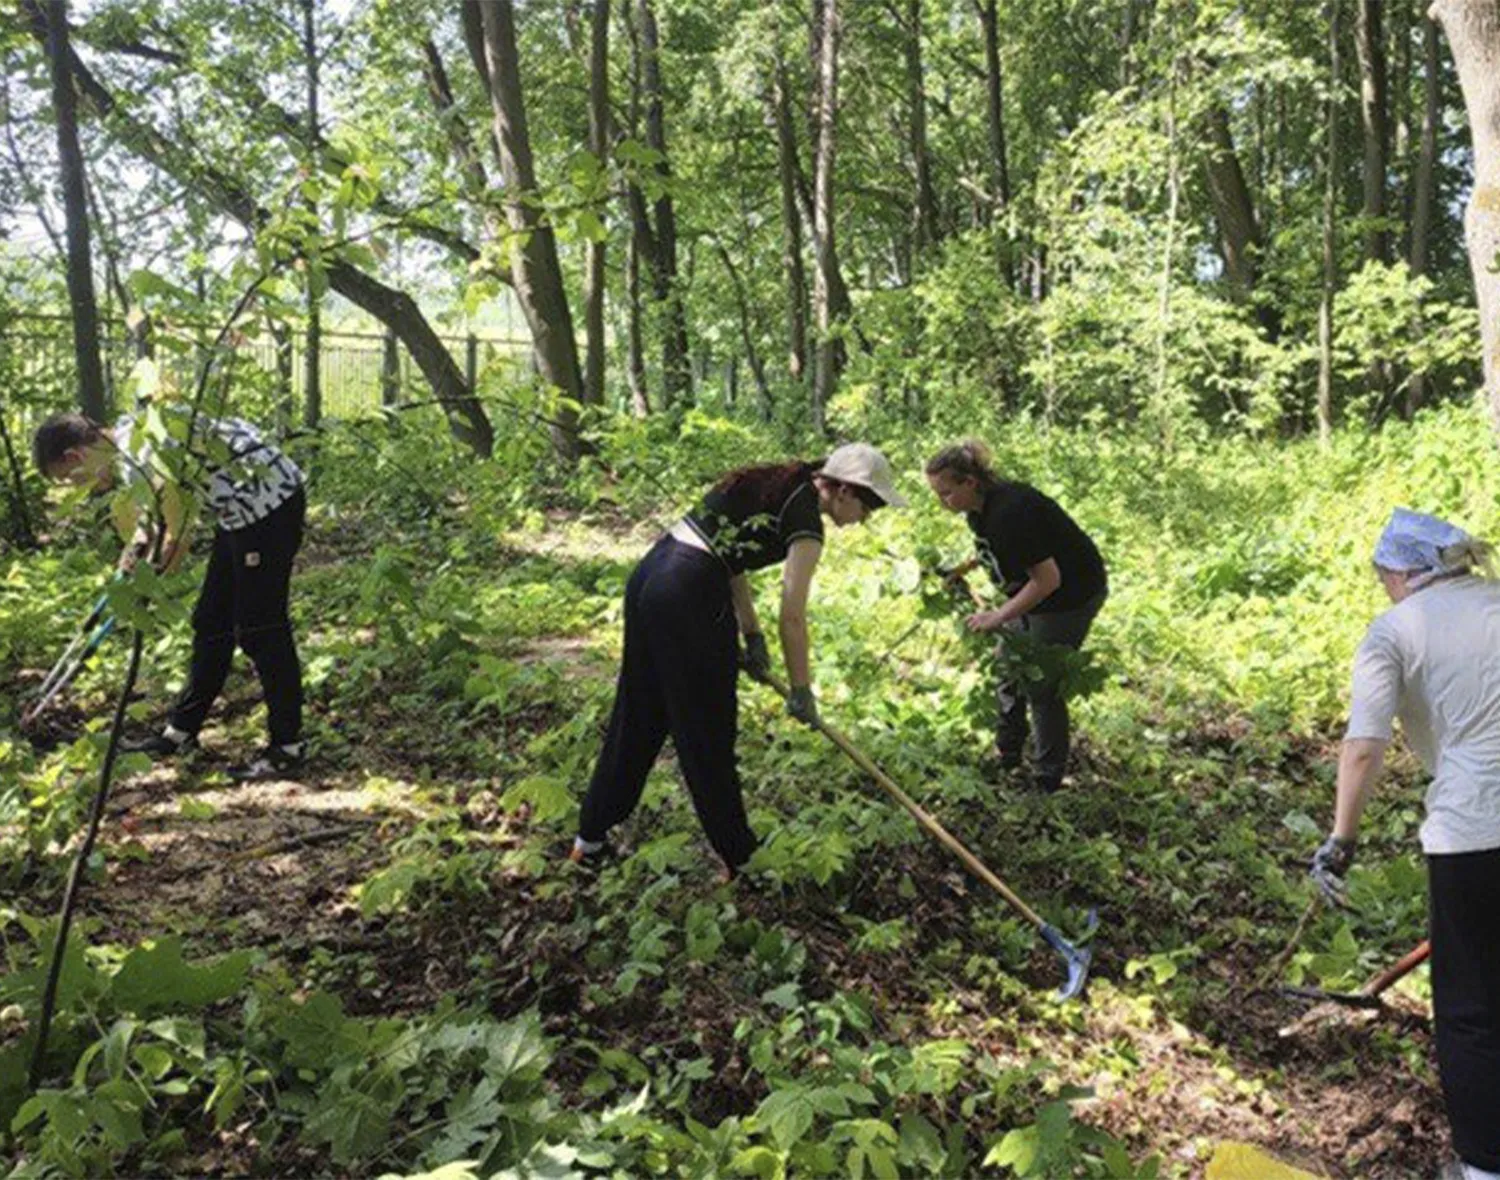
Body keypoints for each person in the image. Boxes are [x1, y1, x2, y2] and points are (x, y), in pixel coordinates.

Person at [571, 443, 906, 880]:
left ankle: (589, 843)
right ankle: (743, 860)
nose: (864, 519)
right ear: (843, 490)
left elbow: (729, 556)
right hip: (689, 592)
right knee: (707, 731)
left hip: (653, 576)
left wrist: (751, 634)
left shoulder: (780, 483)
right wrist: (802, 689)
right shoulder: (806, 521)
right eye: (869, 506)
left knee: (641, 713)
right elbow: (793, 614)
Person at [1308, 508, 1500, 1180]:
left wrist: (1340, 841)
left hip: (1475, 830)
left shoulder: (1393, 631)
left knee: (1474, 1006)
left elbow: (1363, 747)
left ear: (1402, 572)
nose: (1383, 587)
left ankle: (1483, 1169)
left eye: (1383, 575)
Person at [33, 408, 308, 782]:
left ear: (75, 456)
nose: (79, 488)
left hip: (269, 505)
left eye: (71, 479)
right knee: (211, 621)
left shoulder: (143, 454)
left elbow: (176, 540)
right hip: (238, 511)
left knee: (261, 629)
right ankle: (180, 732)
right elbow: (151, 526)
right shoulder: (136, 439)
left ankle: (286, 749)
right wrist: (128, 565)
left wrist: (145, 582)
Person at [924, 441, 1107, 793]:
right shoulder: (980, 510)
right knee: (1007, 666)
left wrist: (997, 617)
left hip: (1069, 596)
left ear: (969, 483)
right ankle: (1007, 755)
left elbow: (1048, 579)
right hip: (1035, 593)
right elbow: (995, 549)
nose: (941, 502)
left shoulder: (1010, 512)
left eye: (946, 493)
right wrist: (961, 568)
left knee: (1041, 684)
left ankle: (1047, 779)